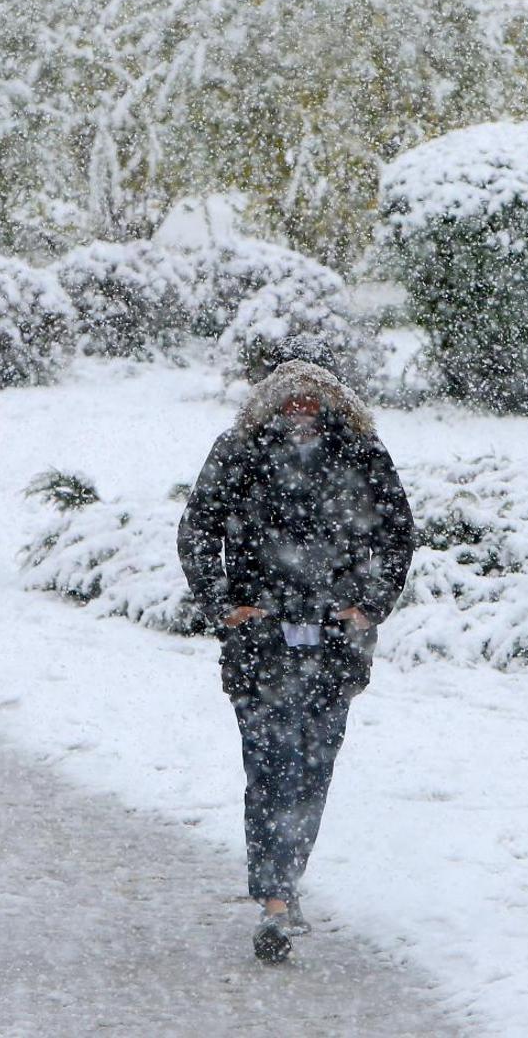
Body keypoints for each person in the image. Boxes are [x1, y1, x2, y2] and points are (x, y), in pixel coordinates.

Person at [177, 359, 416, 963]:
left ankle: (288, 878)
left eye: (312, 403)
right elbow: (198, 528)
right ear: (271, 407)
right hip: (261, 643)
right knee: (268, 764)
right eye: (290, 403)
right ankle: (275, 897)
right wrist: (224, 603)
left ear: (333, 406)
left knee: (312, 769)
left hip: (334, 643)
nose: (300, 412)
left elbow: (396, 533)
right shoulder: (239, 451)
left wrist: (368, 605)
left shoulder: (361, 453)